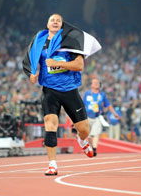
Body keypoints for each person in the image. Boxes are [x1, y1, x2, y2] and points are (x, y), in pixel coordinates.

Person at [23, 13, 101, 176]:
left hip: (69, 90)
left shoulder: (70, 41)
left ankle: (81, 140)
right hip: (50, 91)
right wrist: (32, 74)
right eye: (53, 20)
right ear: (48, 24)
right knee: (50, 124)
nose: (56, 22)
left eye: (58, 20)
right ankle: (52, 164)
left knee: (84, 129)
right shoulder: (40, 42)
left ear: (62, 25)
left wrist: (57, 63)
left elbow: (79, 65)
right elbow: (32, 60)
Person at [82, 78, 120, 156]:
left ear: (100, 85)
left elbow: (108, 105)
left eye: (98, 83)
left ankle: (94, 150)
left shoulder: (102, 94)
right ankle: (90, 148)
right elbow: (81, 105)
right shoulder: (87, 94)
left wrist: (114, 113)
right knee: (88, 136)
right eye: (94, 82)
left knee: (95, 134)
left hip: (97, 117)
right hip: (87, 117)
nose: (96, 83)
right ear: (91, 84)